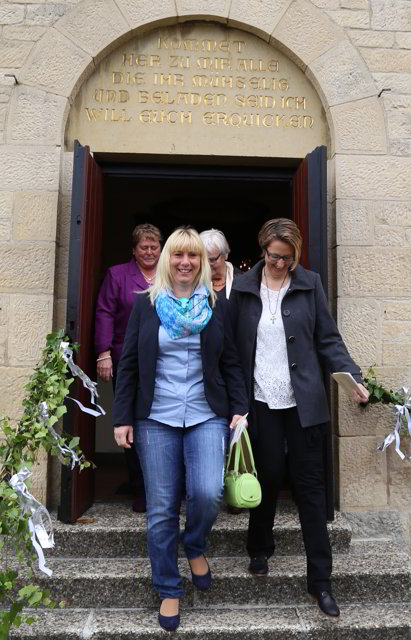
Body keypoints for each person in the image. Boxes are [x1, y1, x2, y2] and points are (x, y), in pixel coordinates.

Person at [229, 218, 369, 618]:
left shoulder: (309, 284)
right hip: (259, 401)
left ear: (296, 256)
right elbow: (233, 354)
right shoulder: (241, 290)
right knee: (269, 476)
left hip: (304, 404)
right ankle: (259, 547)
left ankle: (321, 581)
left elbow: (328, 340)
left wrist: (352, 378)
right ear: (262, 250)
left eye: (287, 259)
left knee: (311, 490)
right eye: (274, 257)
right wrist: (234, 405)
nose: (279, 265)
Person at [112, 227, 248, 631]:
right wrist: (121, 417)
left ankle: (194, 543)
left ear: (203, 262)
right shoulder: (146, 305)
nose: (185, 263)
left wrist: (240, 409)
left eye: (193, 256)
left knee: (208, 493)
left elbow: (231, 362)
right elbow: (131, 364)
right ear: (167, 259)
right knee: (160, 509)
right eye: (178, 256)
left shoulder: (217, 305)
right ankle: (169, 588)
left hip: (207, 413)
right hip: (155, 417)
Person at [95, 223, 162, 512]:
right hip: (128, 360)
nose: (149, 252)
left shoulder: (172, 273)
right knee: (131, 423)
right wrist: (104, 353)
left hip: (166, 361)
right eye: (143, 247)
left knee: (164, 422)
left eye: (154, 247)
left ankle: (170, 488)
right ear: (134, 250)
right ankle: (141, 489)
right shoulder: (117, 274)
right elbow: (105, 312)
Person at [200, 228, 244, 516]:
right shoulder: (191, 283)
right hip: (209, 371)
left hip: (241, 365)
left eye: (212, 259)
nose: (207, 264)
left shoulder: (244, 283)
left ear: (226, 257)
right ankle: (210, 491)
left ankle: (238, 489)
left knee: (239, 427)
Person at [199, 228, 241, 298]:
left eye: (212, 260)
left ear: (225, 255)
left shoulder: (242, 282)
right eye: (203, 260)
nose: (207, 265)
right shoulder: (193, 281)